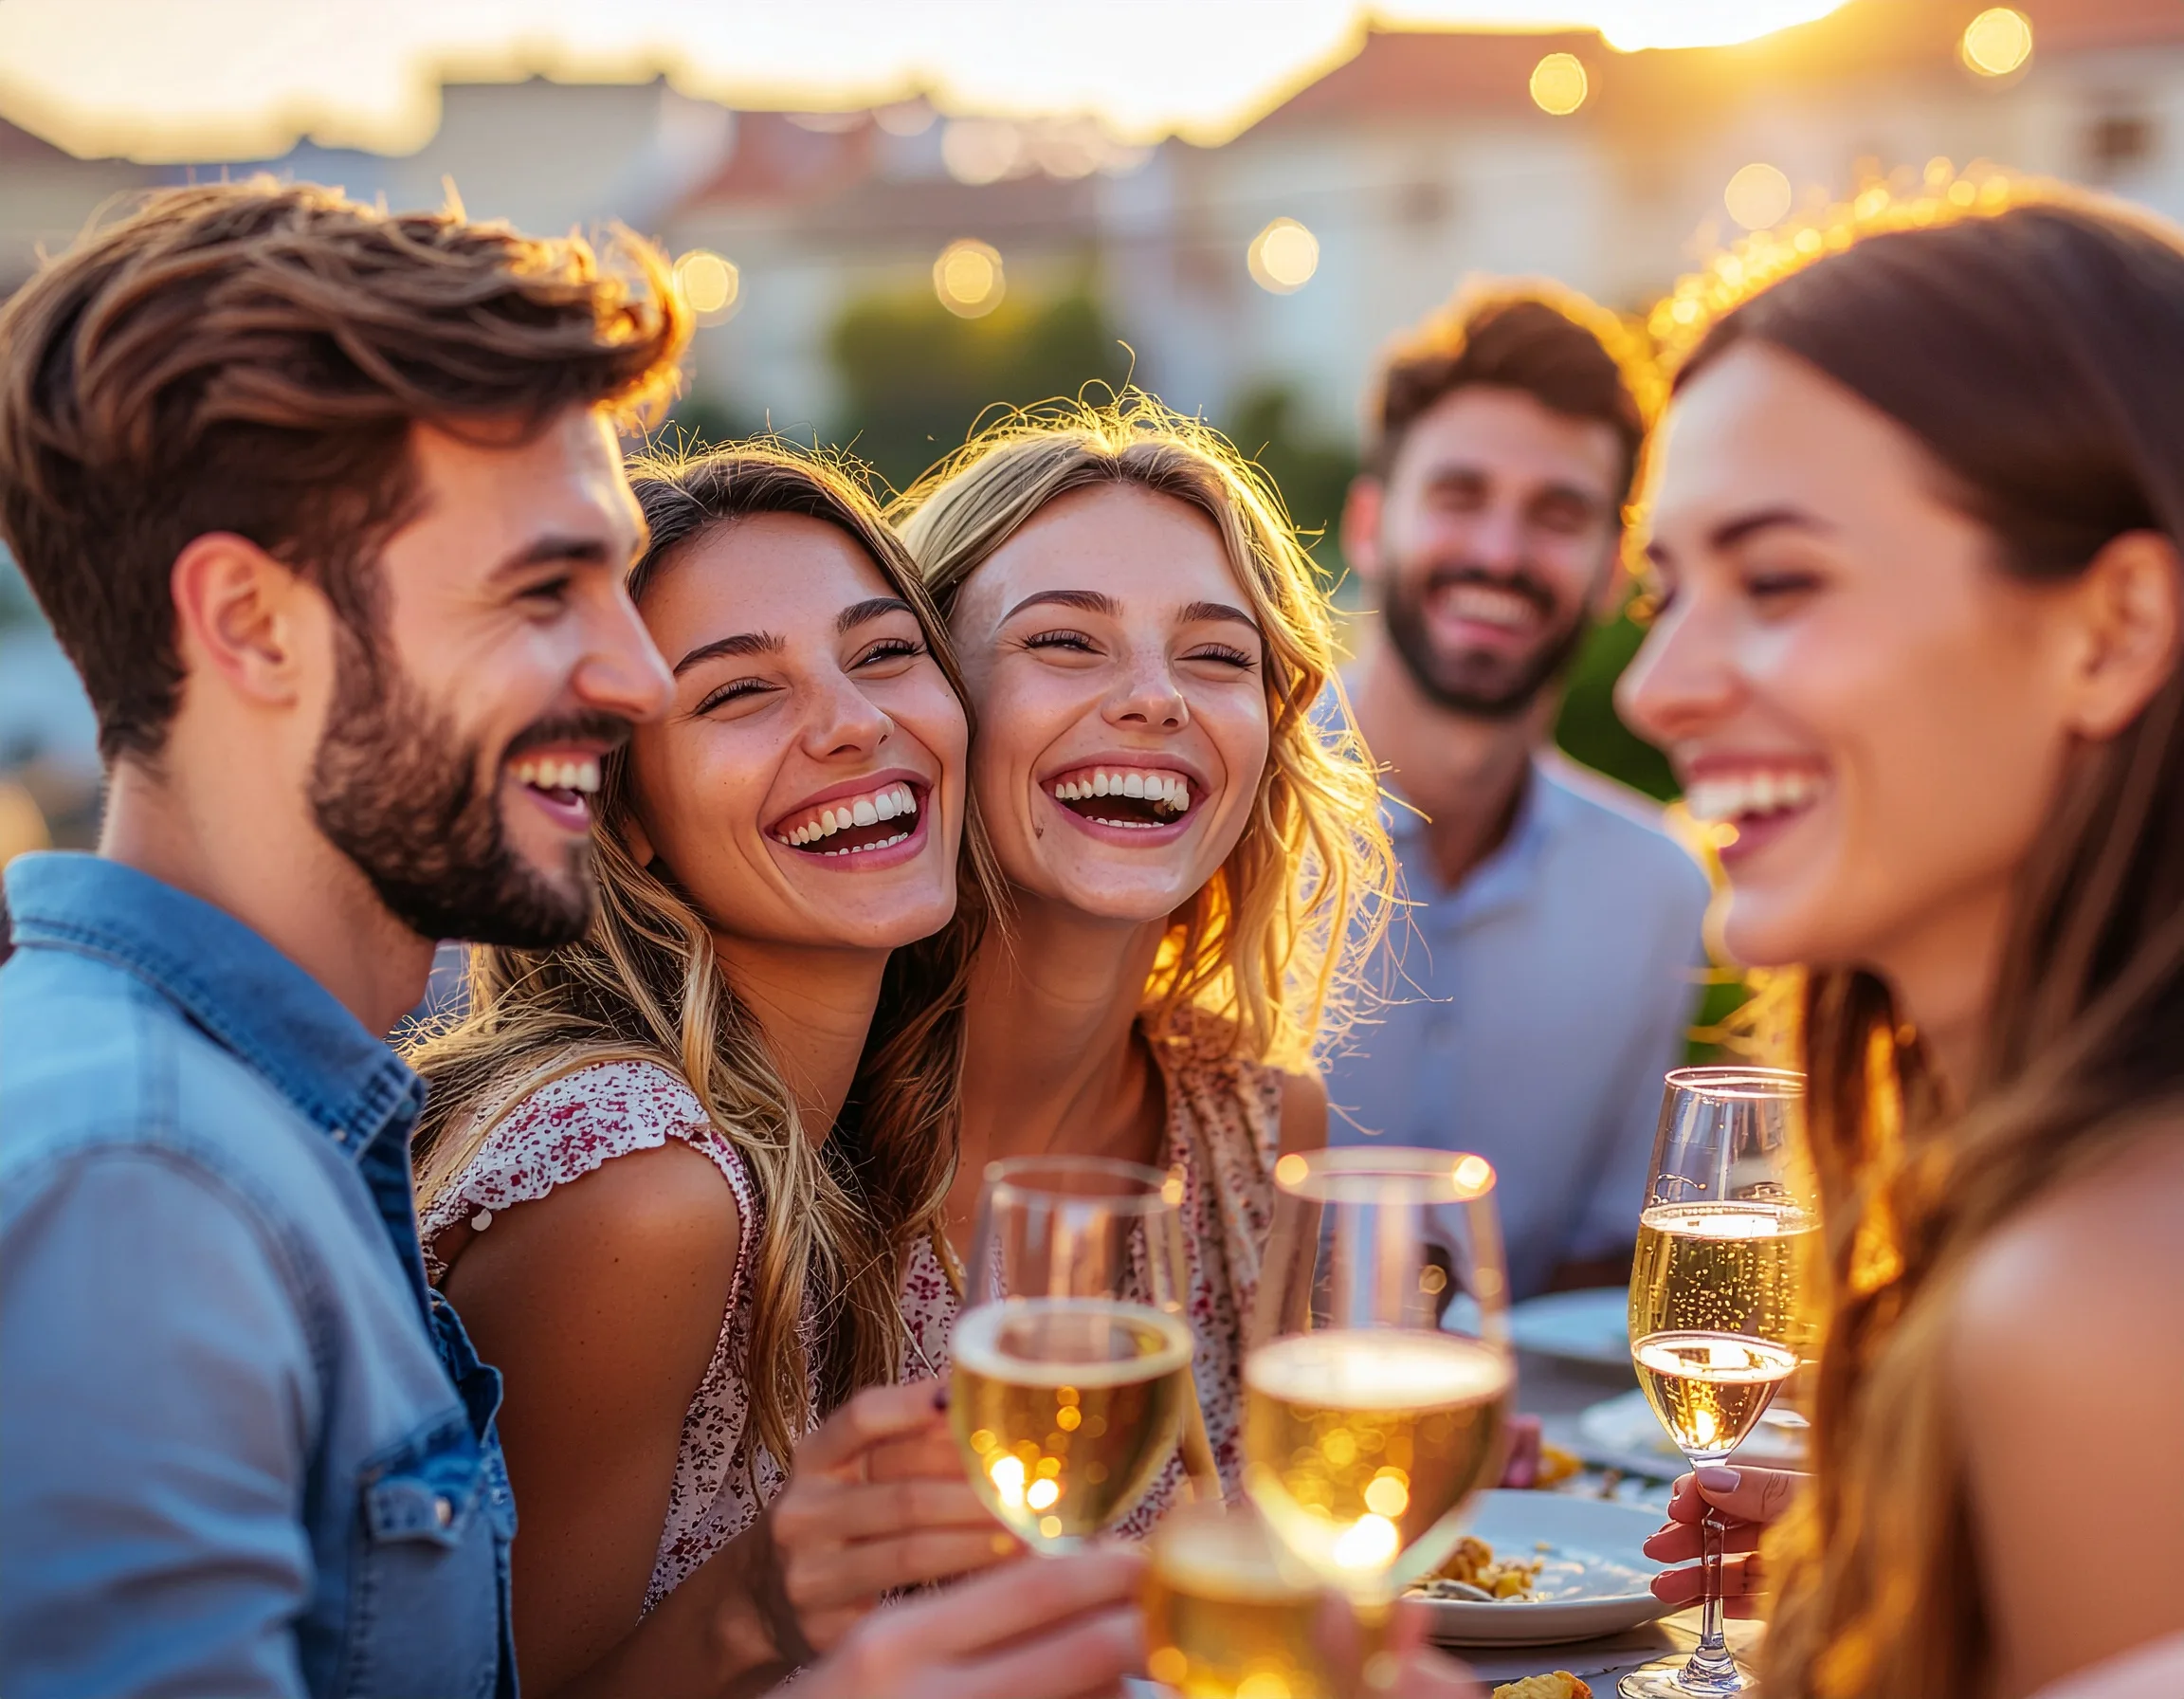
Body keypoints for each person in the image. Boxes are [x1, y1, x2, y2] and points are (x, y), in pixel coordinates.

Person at [0, 180, 687, 1694]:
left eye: (620, 582)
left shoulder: (255, 1121)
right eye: (546, 588)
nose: (641, 676)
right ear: (250, 623)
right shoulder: (141, 1183)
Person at [1620, 186, 2184, 1699]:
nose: (1653, 688)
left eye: (1779, 582)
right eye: (1664, 593)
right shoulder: (2041, 1240)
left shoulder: (2091, 1311)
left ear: (2113, 629)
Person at [404, 447, 1016, 1694]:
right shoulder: (642, 1183)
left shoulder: (839, 1132)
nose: (856, 722)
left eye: (886, 651)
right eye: (739, 694)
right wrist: (768, 1610)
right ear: (621, 812)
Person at [894, 394, 1397, 1523]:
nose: (1157, 699)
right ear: (926, 698)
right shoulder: (746, 1154)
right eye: (1065, 640)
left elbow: (1277, 1566)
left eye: (1218, 656)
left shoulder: (1265, 1127)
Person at [1323, 284, 1713, 1301]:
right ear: (1370, 525)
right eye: (1459, 496)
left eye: (1557, 514)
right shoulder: (1225, 816)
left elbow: (1604, 1274)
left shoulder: (1659, 889)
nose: (1499, 553)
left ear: (1607, 570)